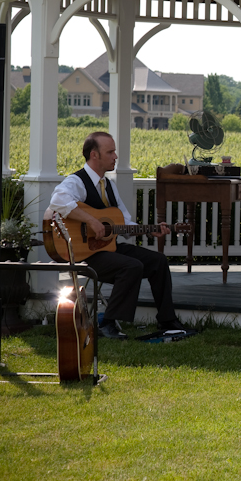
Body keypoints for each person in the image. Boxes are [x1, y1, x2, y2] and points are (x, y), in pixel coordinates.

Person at [48, 131, 185, 340]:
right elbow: (57, 202)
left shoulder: (109, 185)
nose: (115, 156)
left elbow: (124, 223)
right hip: (83, 253)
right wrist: (91, 220)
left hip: (106, 248)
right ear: (95, 155)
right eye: (110, 152)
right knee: (131, 266)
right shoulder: (77, 181)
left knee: (157, 261)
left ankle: (167, 320)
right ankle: (108, 323)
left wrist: (149, 229)